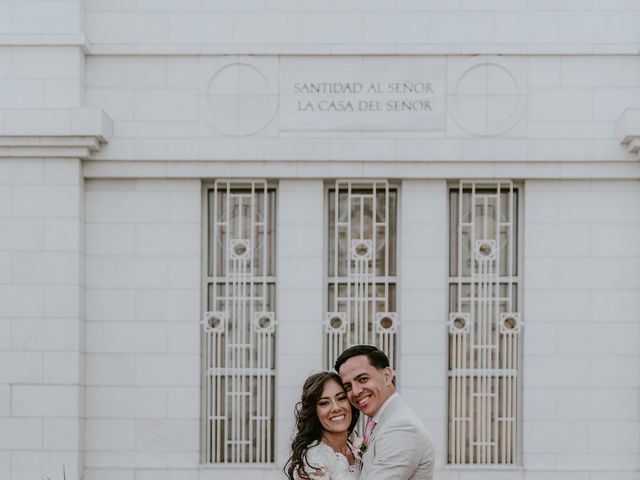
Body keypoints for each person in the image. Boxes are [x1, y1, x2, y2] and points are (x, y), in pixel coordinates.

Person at [335, 345, 434, 480]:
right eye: (348, 386)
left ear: (387, 376)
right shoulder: (383, 421)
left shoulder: (401, 428)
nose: (356, 391)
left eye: (363, 379)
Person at [285, 371, 361, 480]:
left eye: (341, 398)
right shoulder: (314, 460)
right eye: (324, 403)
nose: (336, 408)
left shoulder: (355, 449)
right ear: (314, 411)